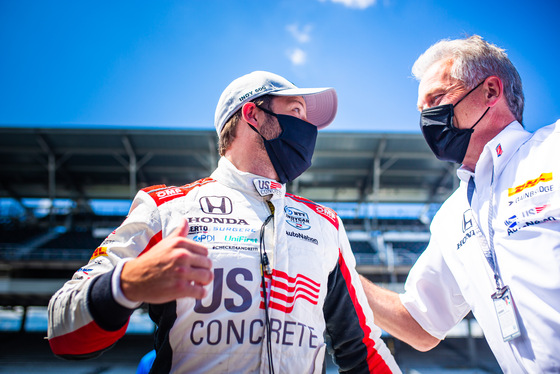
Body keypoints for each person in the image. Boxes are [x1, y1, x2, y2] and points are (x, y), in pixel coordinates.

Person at [47, 70, 401, 373]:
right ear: (253, 115)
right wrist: (126, 284)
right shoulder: (166, 209)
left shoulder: (325, 224)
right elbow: (64, 329)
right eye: (296, 112)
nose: (308, 128)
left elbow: (363, 351)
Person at [360, 35, 560, 373]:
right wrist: (337, 268)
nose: (428, 119)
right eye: (422, 111)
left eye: (438, 98)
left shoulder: (552, 151)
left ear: (491, 91)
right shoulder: (452, 216)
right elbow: (421, 326)